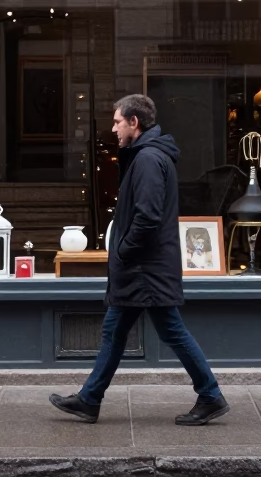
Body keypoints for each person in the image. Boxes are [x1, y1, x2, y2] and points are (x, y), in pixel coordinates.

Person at [49, 94, 229, 426]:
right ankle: (89, 399)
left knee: (170, 330)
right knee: (115, 331)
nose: (114, 128)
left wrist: (123, 250)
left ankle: (210, 394)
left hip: (145, 268)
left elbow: (147, 217)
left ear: (135, 122)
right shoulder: (148, 156)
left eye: (118, 121)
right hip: (143, 267)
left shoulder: (147, 160)